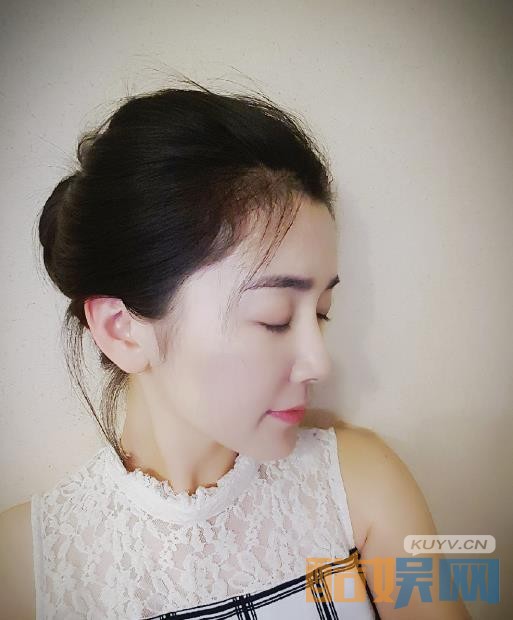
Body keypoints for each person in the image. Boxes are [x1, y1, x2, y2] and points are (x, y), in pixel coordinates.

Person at [0, 78, 470, 619]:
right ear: (123, 329)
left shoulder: (359, 484)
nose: (319, 362)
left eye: (321, 313)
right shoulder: (28, 569)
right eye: (274, 318)